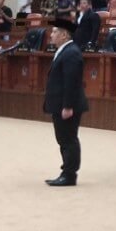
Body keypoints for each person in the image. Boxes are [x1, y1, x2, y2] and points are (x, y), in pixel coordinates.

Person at [43, 18, 88, 187]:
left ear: (64, 35)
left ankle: (69, 175)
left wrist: (68, 106)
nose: (51, 35)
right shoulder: (64, 51)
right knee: (63, 139)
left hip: (68, 105)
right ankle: (66, 172)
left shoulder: (71, 53)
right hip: (60, 104)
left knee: (68, 139)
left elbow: (72, 82)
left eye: (55, 32)